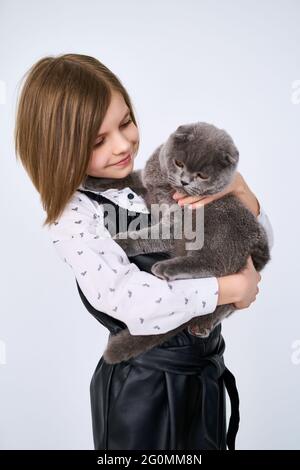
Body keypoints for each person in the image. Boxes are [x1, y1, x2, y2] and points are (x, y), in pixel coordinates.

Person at [14, 53, 274, 450]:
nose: (122, 146)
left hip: (201, 381)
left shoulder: (154, 182)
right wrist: (229, 290)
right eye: (98, 141)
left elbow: (243, 243)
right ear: (58, 149)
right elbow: (132, 299)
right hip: (144, 396)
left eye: (125, 123)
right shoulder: (76, 217)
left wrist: (243, 194)